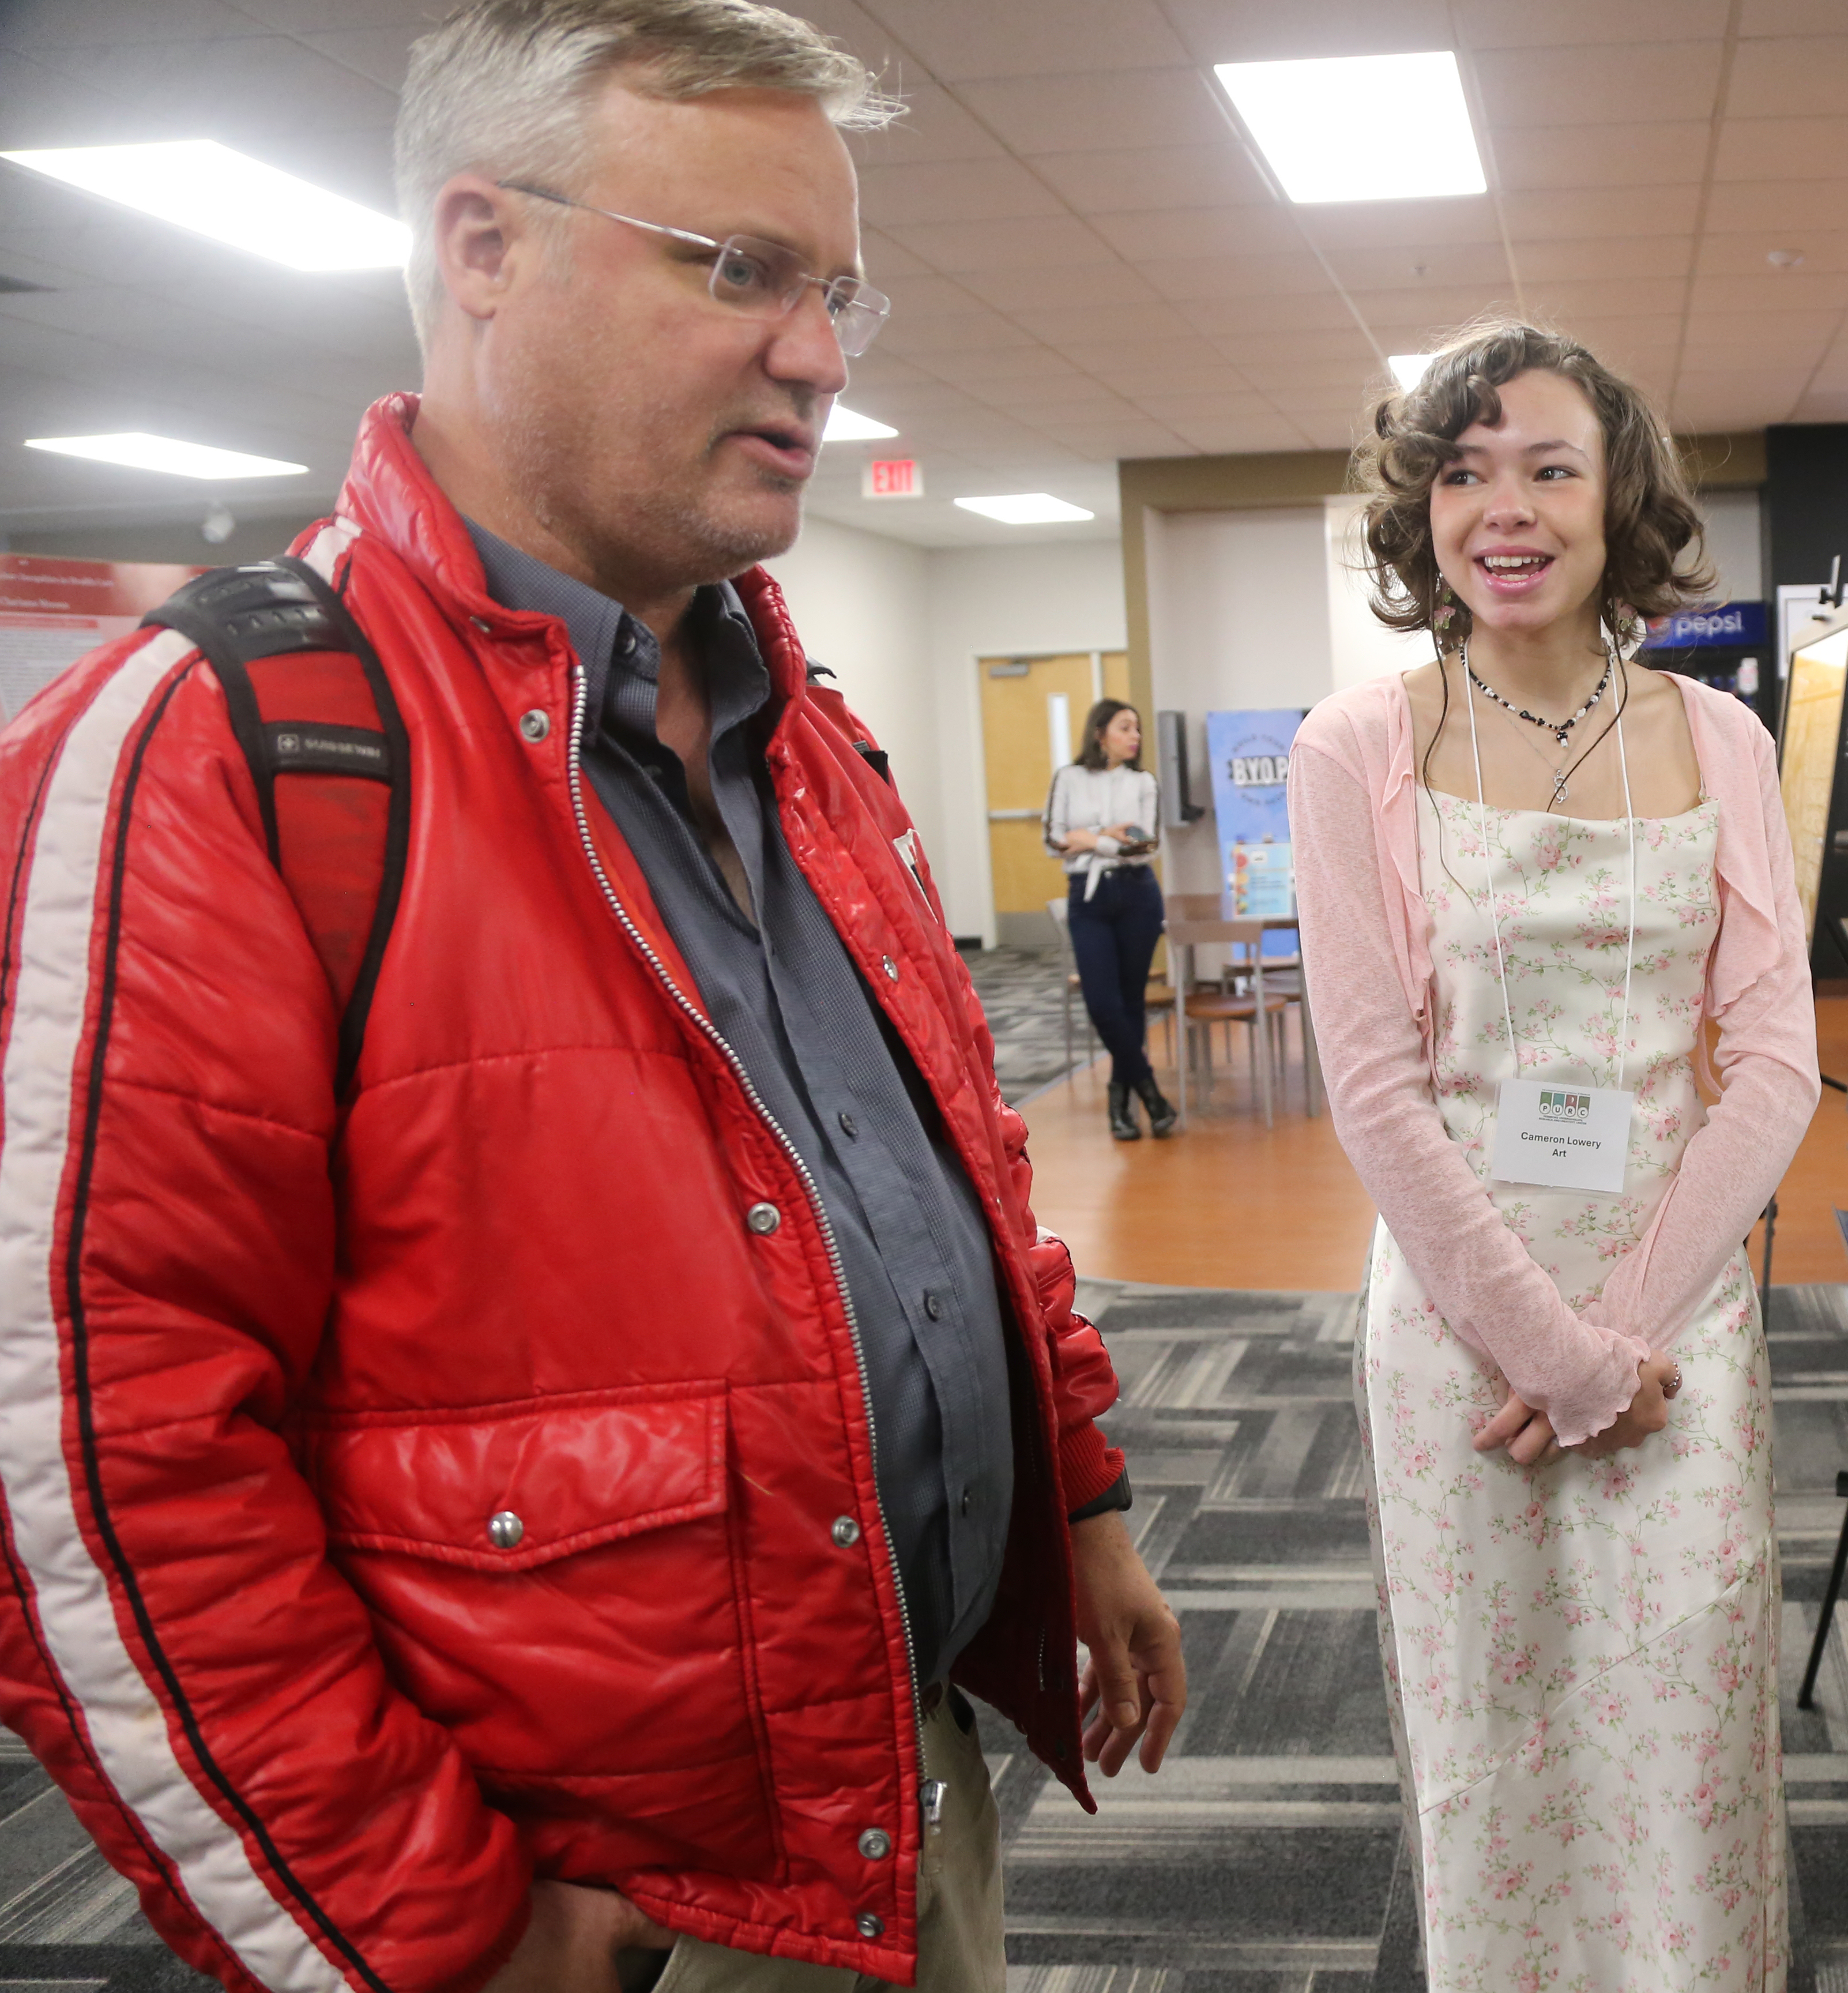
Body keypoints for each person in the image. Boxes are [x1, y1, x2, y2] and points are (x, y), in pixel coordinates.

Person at [0, 4, 1185, 1990]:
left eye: (835, 291)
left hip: (886, 1774)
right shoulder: (215, 750)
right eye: (740, 271)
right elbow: (84, 1460)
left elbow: (950, 1175)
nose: (812, 351)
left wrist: (1075, 1500)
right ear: (484, 249)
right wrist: (428, 1925)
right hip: (596, 1905)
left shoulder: (808, 736)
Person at [1289, 321, 1818, 1988]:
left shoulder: (1718, 739)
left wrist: (1622, 1346)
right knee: (1496, 1742)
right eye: (1460, 471)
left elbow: (1779, 1066)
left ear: (1619, 499)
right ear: (1418, 509)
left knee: (1687, 1731)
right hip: (1464, 1341)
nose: (1499, 508)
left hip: (1675, 1326)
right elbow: (1375, 1089)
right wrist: (1544, 1351)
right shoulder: (1357, 750)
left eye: (1546, 466)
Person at [1046, 698, 1177, 1140]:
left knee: (1130, 1001)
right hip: (1089, 899)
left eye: (1137, 729)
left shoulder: (1143, 782)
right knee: (1102, 1003)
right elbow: (1053, 839)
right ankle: (1151, 1092)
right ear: (1100, 732)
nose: (1135, 736)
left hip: (1138, 895)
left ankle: (1120, 1104)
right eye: (1125, 728)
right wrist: (1108, 837)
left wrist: (1088, 839)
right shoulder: (1069, 777)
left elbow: (1145, 845)